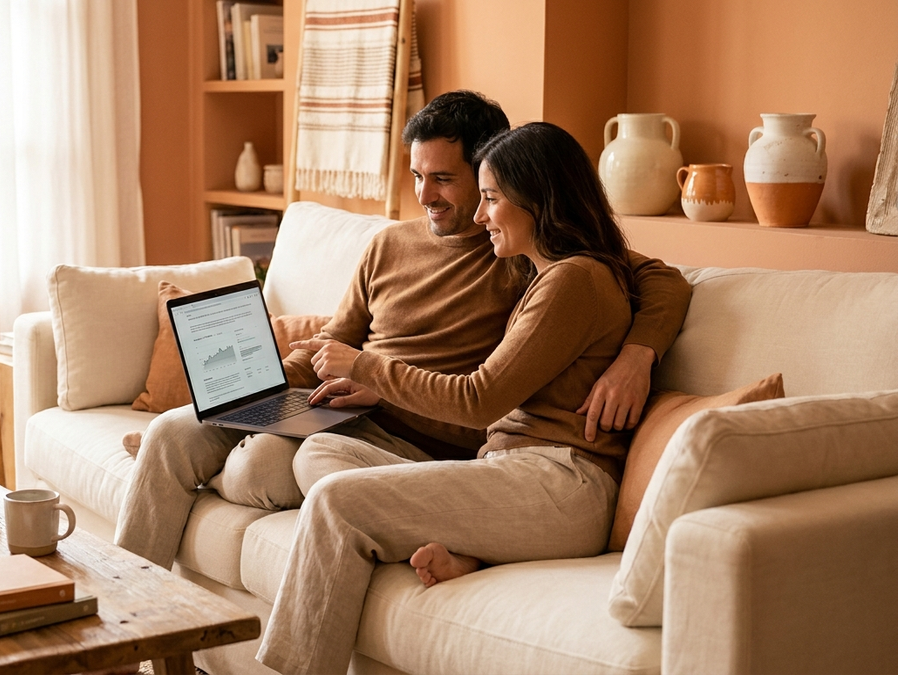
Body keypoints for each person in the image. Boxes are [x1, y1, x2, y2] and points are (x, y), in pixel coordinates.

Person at [113, 91, 691, 571]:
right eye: (417, 176)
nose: (425, 196)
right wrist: (264, 389)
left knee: (259, 467)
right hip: (337, 408)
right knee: (172, 432)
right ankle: (126, 629)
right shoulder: (389, 244)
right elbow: (334, 344)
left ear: (497, 173)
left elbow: (660, 278)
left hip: (419, 437)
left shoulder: (522, 251)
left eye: (444, 179)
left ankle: (221, 467)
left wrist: (636, 354)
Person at [258, 121, 643, 675]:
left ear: (538, 200)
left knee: (337, 502)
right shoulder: (546, 273)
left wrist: (368, 366)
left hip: (562, 483)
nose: (480, 216)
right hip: (515, 470)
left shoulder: (572, 282)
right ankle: (471, 551)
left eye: (490, 198)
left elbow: (478, 399)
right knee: (324, 459)